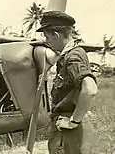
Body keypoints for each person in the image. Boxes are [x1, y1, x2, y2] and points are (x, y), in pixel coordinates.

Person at [36, 11, 98, 154]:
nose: (46, 41)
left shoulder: (73, 58)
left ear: (57, 35)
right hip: (67, 127)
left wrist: (73, 122)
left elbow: (90, 89)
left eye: (47, 36)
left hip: (68, 128)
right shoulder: (70, 54)